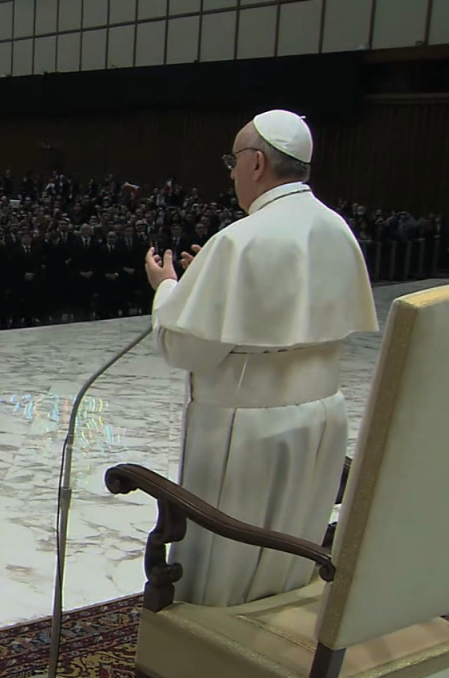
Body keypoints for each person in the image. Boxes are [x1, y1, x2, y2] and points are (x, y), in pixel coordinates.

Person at [143, 110, 378, 615]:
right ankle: (284, 626)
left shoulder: (240, 239)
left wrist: (168, 289)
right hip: (322, 417)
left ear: (255, 163)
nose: (230, 172)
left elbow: (186, 348)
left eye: (233, 160)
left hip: (247, 426)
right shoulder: (335, 227)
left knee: (231, 556)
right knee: (294, 536)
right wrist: (214, 277)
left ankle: (212, 653)